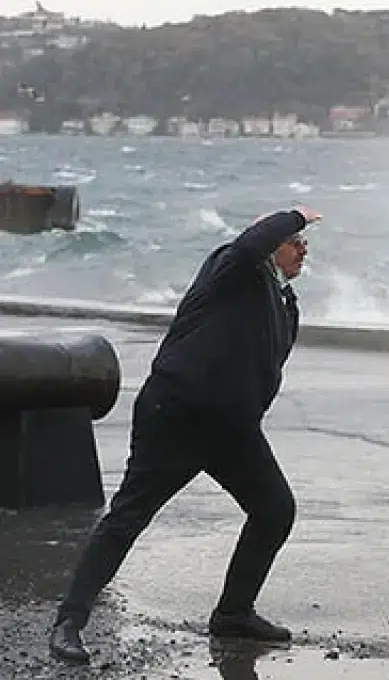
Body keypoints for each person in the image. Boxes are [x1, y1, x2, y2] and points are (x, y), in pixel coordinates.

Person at [49, 206, 322, 664]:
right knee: (128, 518)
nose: (303, 248)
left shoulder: (284, 301)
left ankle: (234, 613)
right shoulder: (232, 267)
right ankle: (68, 624)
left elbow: (265, 365)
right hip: (175, 416)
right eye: (294, 240)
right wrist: (295, 215)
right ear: (270, 242)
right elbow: (250, 242)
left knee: (274, 509)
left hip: (232, 430)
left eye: (303, 241)